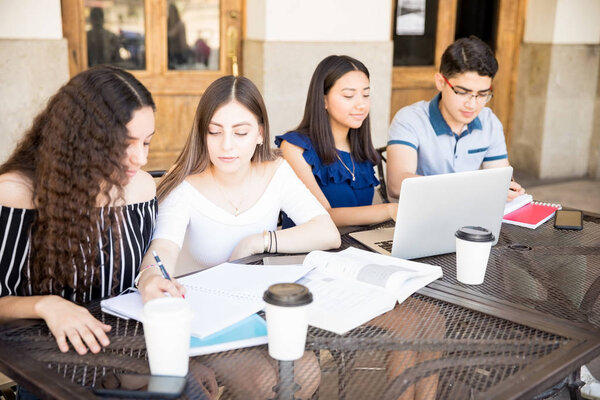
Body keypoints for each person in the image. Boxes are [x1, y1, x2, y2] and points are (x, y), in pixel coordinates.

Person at [137, 75, 338, 399]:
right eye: (215, 132)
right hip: (202, 318)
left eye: (240, 132)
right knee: (262, 382)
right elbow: (162, 250)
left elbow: (327, 232)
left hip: (254, 310)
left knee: (307, 371)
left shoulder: (276, 171)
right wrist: (150, 278)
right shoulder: (186, 187)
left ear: (260, 133)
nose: (227, 145)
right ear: (202, 134)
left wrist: (258, 241)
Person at [0, 65, 183, 358]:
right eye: (125, 144)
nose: (142, 158)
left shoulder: (140, 188)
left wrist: (149, 277)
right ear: (83, 141)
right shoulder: (14, 193)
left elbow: (146, 259)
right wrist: (46, 305)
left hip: (129, 353)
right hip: (48, 360)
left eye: (146, 141)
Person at [386, 35, 525, 201]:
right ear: (440, 82)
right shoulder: (409, 119)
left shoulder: (489, 121)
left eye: (482, 94)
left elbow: (499, 176)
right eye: (462, 92)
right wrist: (473, 189)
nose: (472, 105)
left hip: (471, 213)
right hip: (423, 214)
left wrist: (506, 187)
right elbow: (396, 184)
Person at [276, 55, 398, 228]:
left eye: (366, 94)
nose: (361, 105)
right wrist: (389, 210)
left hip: (354, 248)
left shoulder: (360, 150)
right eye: (349, 96)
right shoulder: (295, 148)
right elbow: (322, 215)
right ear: (323, 99)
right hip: (308, 251)